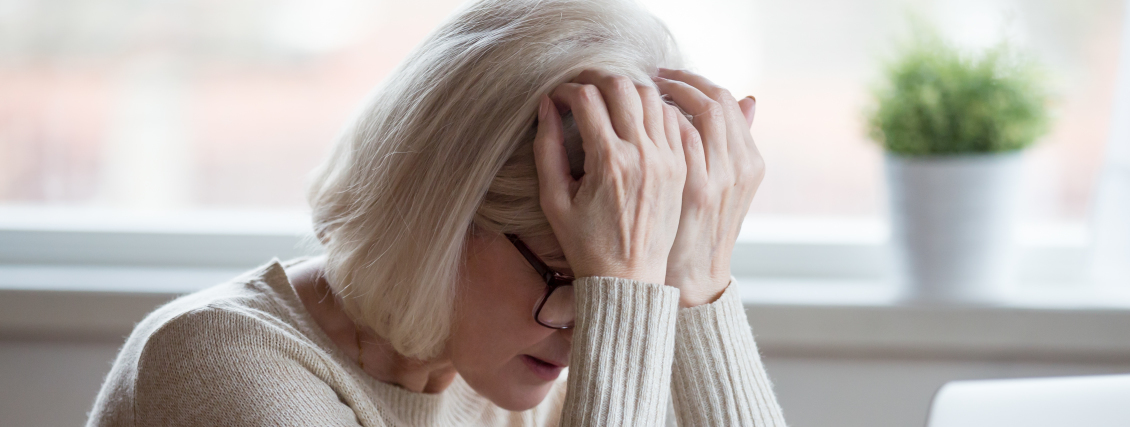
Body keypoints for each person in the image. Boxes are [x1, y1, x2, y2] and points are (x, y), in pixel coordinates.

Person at [87, 0, 785, 425]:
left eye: (627, 278)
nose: (591, 328)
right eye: (573, 276)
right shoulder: (219, 367)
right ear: (443, 217)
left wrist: (698, 280)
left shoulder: (496, 375)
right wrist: (625, 291)